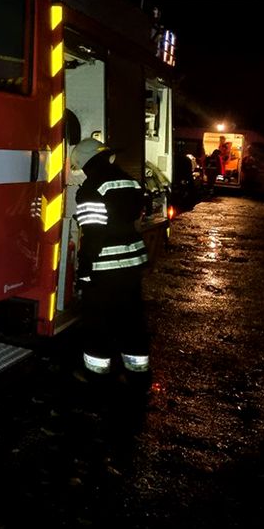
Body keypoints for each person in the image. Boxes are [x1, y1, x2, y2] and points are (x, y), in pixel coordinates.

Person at [71, 137, 150, 386]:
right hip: (133, 263)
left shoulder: (90, 189)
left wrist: (84, 272)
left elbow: (93, 234)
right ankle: (138, 374)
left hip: (105, 268)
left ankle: (96, 377)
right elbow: (136, 218)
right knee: (131, 319)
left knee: (98, 322)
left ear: (84, 163)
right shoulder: (130, 181)